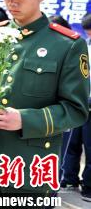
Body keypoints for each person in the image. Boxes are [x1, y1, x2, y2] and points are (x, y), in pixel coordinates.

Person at [0, 0, 89, 196]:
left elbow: (76, 109)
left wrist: (24, 119)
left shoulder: (68, 45)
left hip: (30, 168)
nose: (12, 3)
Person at [60, 12, 91, 202]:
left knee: (90, 146)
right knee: (72, 143)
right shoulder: (83, 46)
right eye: (88, 32)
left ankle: (88, 185)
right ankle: (69, 177)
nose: (89, 36)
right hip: (79, 102)